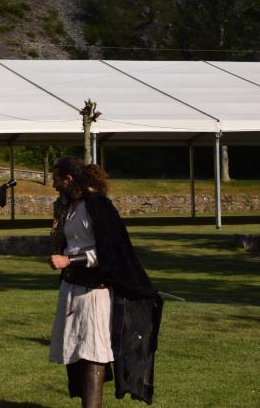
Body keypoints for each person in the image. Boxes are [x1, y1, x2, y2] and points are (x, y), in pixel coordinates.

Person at [48, 156, 162, 407]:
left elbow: (111, 251)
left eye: (56, 179)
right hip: (73, 289)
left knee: (93, 353)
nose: (53, 185)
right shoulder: (71, 205)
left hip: (94, 293)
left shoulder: (98, 206)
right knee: (78, 353)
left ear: (69, 178)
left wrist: (70, 260)